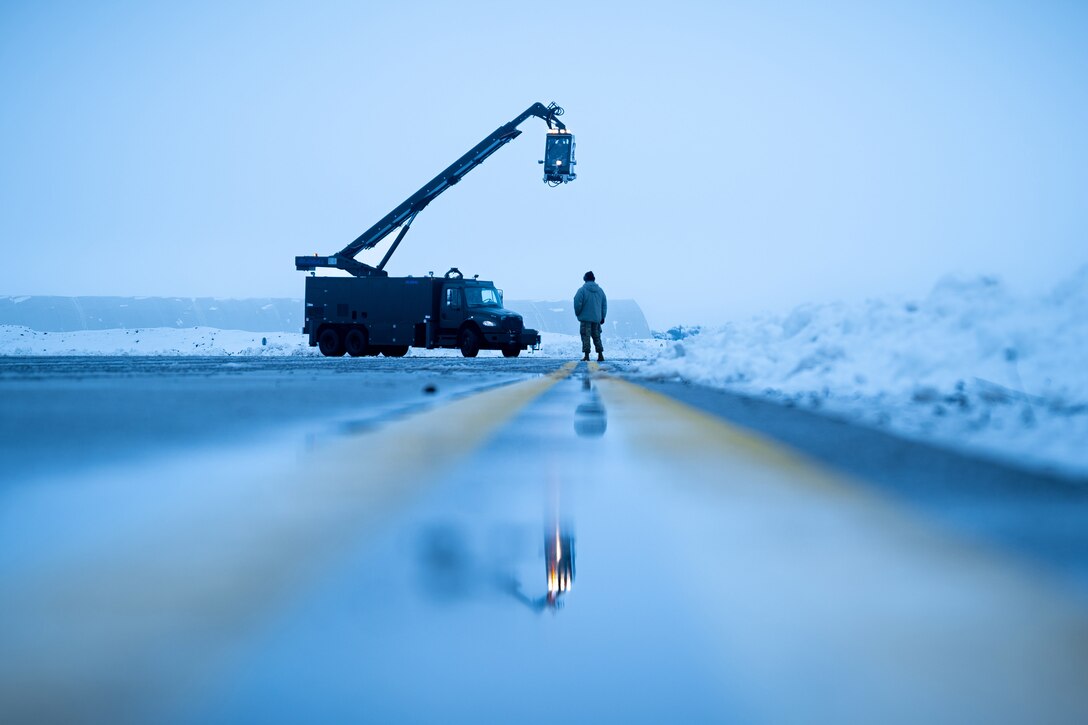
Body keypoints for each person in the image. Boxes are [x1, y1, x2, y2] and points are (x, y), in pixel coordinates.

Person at [573, 271, 607, 362]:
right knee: (597, 336)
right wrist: (603, 316)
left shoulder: (582, 290)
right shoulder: (600, 291)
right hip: (596, 318)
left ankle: (587, 356)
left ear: (585, 279)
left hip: (585, 318)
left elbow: (577, 303)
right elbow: (604, 304)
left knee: (585, 336)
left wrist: (578, 313)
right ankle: (600, 355)